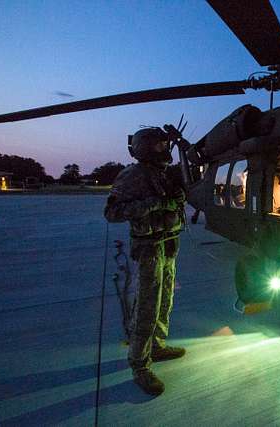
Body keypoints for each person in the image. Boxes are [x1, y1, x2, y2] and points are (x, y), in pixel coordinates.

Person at [104, 127, 186, 396]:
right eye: (162, 146)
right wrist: (153, 204)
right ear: (147, 148)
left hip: (168, 243)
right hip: (149, 247)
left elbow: (173, 202)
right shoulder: (132, 175)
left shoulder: (162, 174)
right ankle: (139, 364)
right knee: (147, 306)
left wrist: (177, 200)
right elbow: (112, 212)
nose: (166, 150)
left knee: (165, 300)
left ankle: (157, 345)